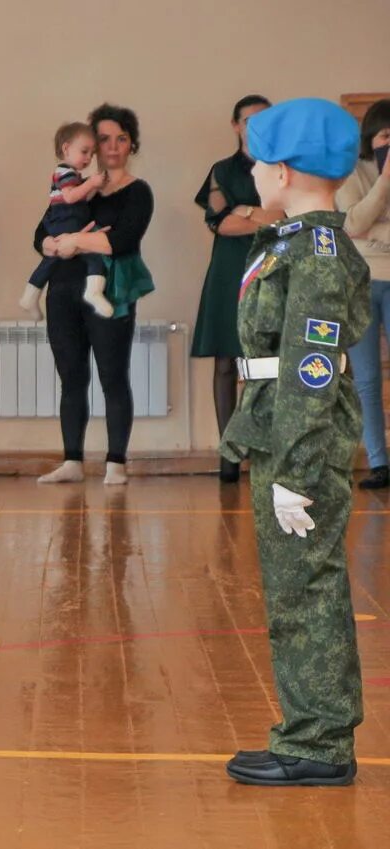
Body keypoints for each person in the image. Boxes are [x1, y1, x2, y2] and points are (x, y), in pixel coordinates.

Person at [220, 98, 368, 787]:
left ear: (280, 171)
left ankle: (319, 742)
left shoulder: (317, 253)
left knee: (306, 586)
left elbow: (310, 369)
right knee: (292, 585)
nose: (250, 170)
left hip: (297, 434)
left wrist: (297, 470)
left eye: (256, 159)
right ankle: (309, 730)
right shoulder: (290, 241)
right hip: (277, 425)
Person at [34, 103, 155, 486]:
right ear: (91, 146)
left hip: (109, 292)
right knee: (72, 378)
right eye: (104, 139)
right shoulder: (74, 186)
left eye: (121, 138)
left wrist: (74, 239)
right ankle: (72, 460)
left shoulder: (138, 191)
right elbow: (41, 234)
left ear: (131, 144)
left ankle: (116, 463)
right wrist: (54, 245)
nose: (113, 146)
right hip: (63, 293)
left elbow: (121, 240)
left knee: (113, 377)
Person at [191, 95, 277, 483]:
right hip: (229, 270)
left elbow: (286, 216)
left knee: (267, 364)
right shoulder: (221, 170)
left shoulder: (282, 167)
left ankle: (262, 450)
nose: (257, 126)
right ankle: (228, 454)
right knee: (226, 362)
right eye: (249, 120)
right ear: (236, 125)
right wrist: (260, 217)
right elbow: (220, 223)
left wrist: (244, 211)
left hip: (272, 269)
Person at [337, 99, 390, 489]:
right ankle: (378, 462)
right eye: (386, 136)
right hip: (360, 282)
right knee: (367, 379)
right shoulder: (352, 171)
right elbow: (351, 223)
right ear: (370, 136)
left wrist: (374, 233)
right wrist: (386, 180)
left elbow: (363, 228)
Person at [21, 121, 108, 320]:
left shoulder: (74, 175)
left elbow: (83, 198)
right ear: (66, 148)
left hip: (67, 220)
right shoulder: (64, 172)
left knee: (51, 261)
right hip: (64, 219)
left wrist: (92, 186)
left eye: (92, 154)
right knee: (92, 254)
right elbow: (70, 197)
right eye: (85, 151)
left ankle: (30, 295)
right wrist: (91, 183)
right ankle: (93, 291)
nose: (88, 158)